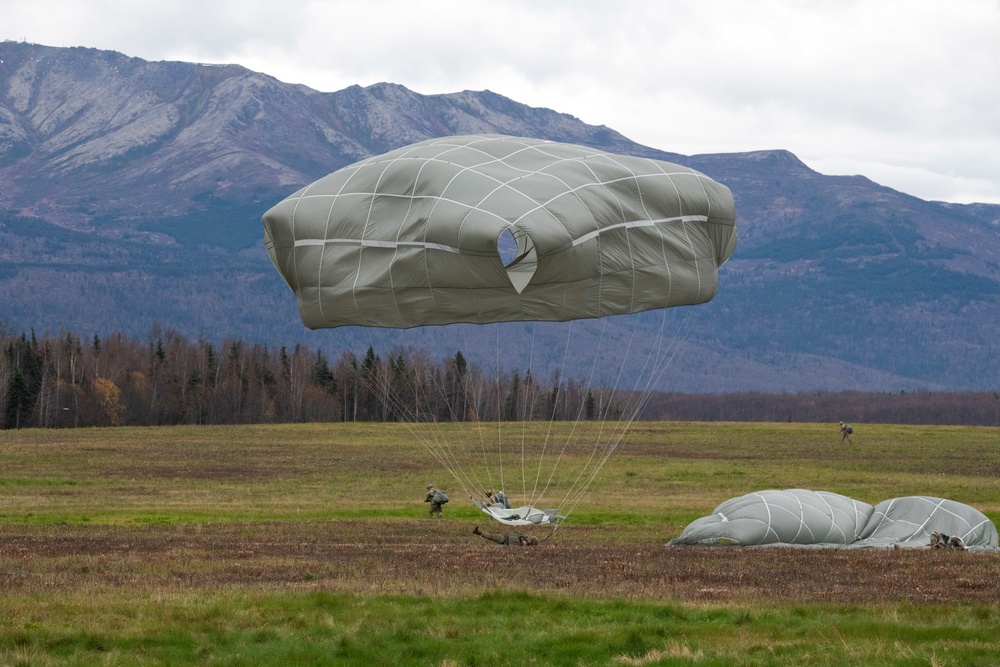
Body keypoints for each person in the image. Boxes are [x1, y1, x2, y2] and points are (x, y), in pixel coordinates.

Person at [472, 525, 538, 546]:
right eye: (530, 539)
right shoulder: (524, 538)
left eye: (530, 540)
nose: (529, 539)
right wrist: (523, 541)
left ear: (531, 543)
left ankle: (478, 532)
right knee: (491, 536)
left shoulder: (526, 549)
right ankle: (478, 532)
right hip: (504, 538)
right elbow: (520, 536)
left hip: (505, 545)